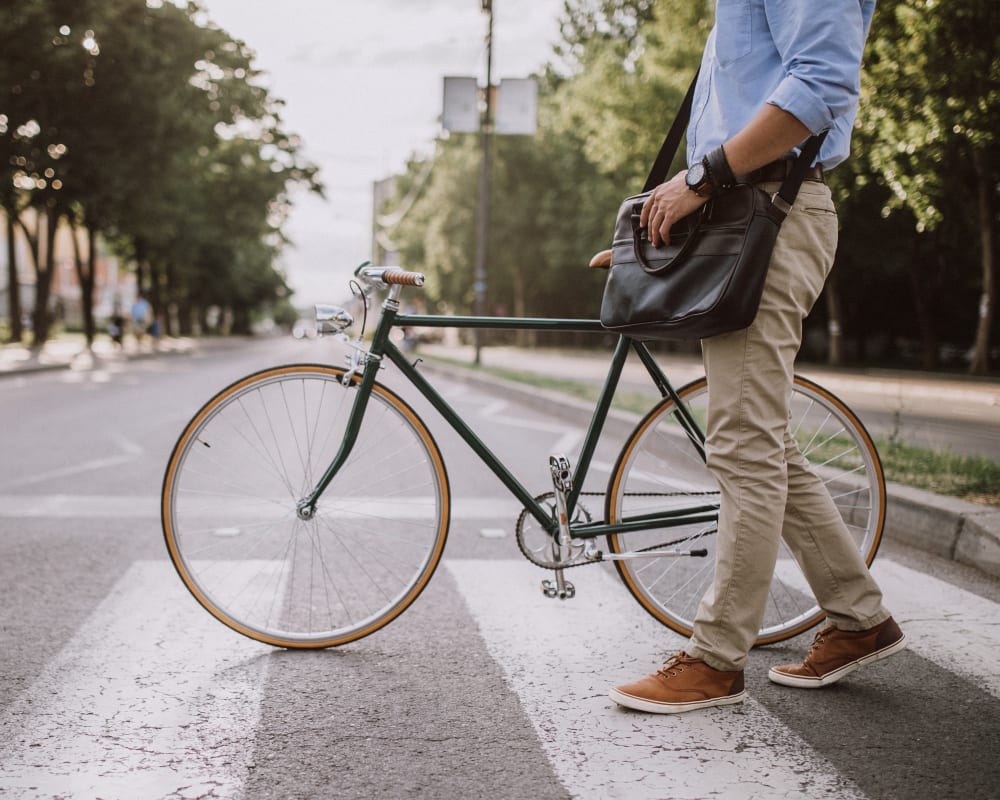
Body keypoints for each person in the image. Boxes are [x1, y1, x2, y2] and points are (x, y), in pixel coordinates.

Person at [609, 0, 905, 715]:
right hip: (737, 218)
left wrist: (699, 181)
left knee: (742, 442)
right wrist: (656, 235)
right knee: (762, 437)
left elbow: (819, 88)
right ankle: (858, 618)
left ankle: (716, 659)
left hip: (770, 215)